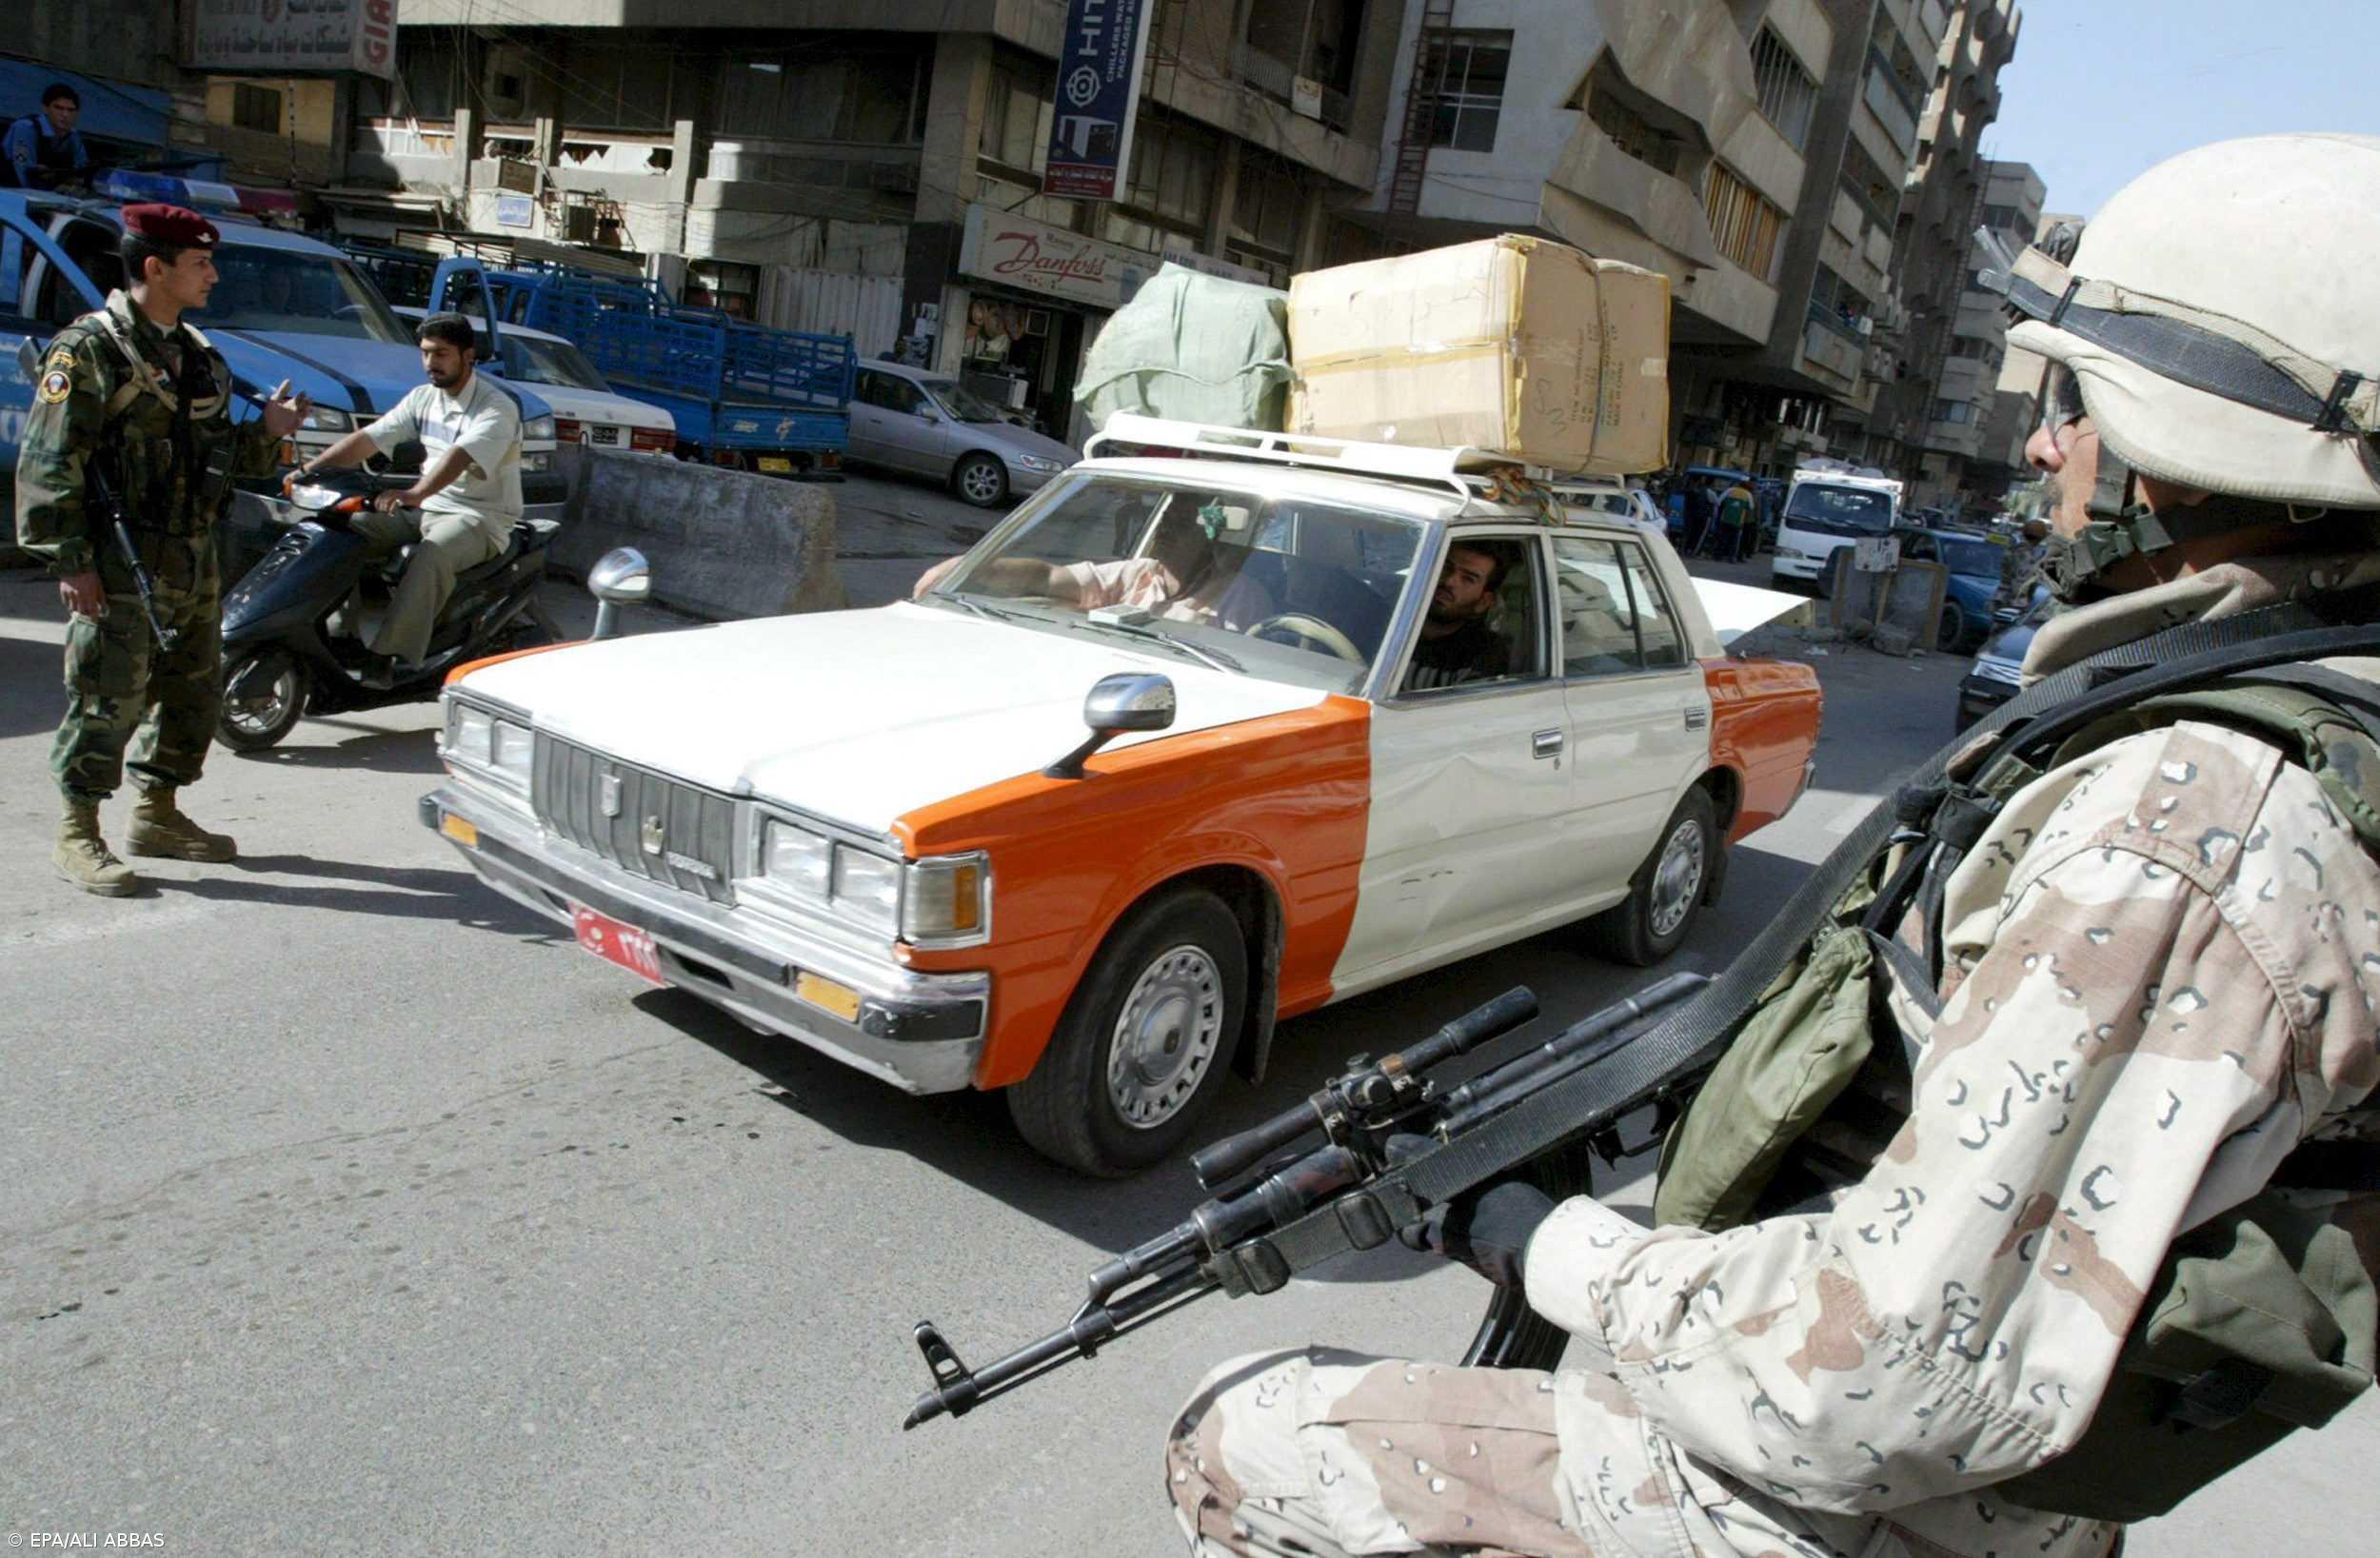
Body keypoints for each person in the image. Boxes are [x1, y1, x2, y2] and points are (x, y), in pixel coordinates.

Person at [1164, 134, 2380, 1558]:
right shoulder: (2274, 717)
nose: (2047, 445)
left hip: (1892, 1496)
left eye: (2077, 403)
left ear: (2204, 446)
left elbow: (1866, 1387)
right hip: (1976, 1449)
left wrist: (1538, 1239)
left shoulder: (2194, 818)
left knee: (1240, 1429)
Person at [15, 204, 309, 894]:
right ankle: (78, 830)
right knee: (106, 694)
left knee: (191, 690)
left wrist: (269, 432)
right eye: (200, 263)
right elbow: (49, 462)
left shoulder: (198, 355)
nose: (213, 275)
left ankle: (157, 814)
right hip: (118, 557)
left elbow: (217, 457)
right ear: (155, 267)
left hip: (191, 555)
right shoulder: (90, 350)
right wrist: (72, 562)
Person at [290, 312, 522, 681]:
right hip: (426, 507)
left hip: (479, 517)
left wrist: (415, 493)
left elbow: (460, 455)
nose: (430, 362)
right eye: (425, 353)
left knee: (431, 554)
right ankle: (339, 632)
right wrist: (309, 470)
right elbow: (370, 438)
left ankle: (389, 657)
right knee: (346, 526)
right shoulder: (424, 398)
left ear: (468, 356)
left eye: (441, 354)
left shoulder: (496, 407)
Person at [911, 492, 1277, 630]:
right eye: (1165, 520)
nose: (1164, 530)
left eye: (1180, 524)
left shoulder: (1239, 595)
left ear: (1207, 534)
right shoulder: (1138, 574)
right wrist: (967, 566)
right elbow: (1047, 578)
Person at [1401, 541, 1511, 691]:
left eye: (1468, 578)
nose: (1449, 581)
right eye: (1446, 567)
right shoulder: (1386, 623)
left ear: (1483, 602)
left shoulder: (1482, 653)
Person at [3, 83, 89, 191]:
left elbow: (82, 170)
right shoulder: (26, 128)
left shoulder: (73, 136)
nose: (65, 115)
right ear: (45, 108)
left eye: (70, 110)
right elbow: (24, 175)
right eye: (59, 108)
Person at [1714, 475, 1756, 562]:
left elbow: (1718, 502)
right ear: (1747, 484)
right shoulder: (1748, 494)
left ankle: (1718, 556)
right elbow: (1751, 508)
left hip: (1725, 519)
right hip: (1738, 521)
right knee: (1734, 540)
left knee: (1722, 538)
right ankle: (1731, 558)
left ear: (1739, 483)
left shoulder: (1730, 490)